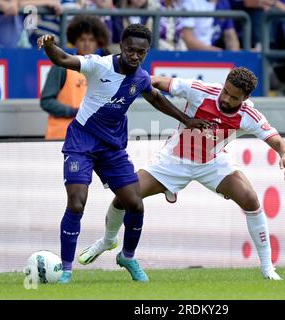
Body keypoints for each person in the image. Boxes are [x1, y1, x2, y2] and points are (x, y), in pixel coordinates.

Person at [78, 67, 285, 281]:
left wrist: (284, 154)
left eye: (233, 97)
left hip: (212, 161)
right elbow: (159, 81)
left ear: (245, 98)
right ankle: (108, 240)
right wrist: (128, 83)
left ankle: (267, 268)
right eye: (225, 91)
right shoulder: (201, 91)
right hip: (174, 160)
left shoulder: (249, 115)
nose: (226, 98)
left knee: (250, 199)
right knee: (125, 196)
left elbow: (278, 142)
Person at [37, 23, 210, 284]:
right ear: (122, 46)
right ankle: (66, 270)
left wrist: (187, 120)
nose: (135, 56)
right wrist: (49, 44)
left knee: (135, 202)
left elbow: (155, 98)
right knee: (76, 202)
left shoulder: (140, 77)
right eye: (131, 50)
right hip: (82, 141)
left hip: (112, 148)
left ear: (147, 52)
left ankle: (127, 256)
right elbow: (62, 59)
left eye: (141, 52)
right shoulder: (99, 64)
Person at [40, 14, 110, 140]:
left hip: (91, 139)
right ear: (74, 41)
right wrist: (74, 112)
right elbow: (46, 101)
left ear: (98, 42)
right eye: (82, 39)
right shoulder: (61, 66)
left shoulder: (104, 69)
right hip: (61, 137)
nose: (87, 44)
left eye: (91, 40)